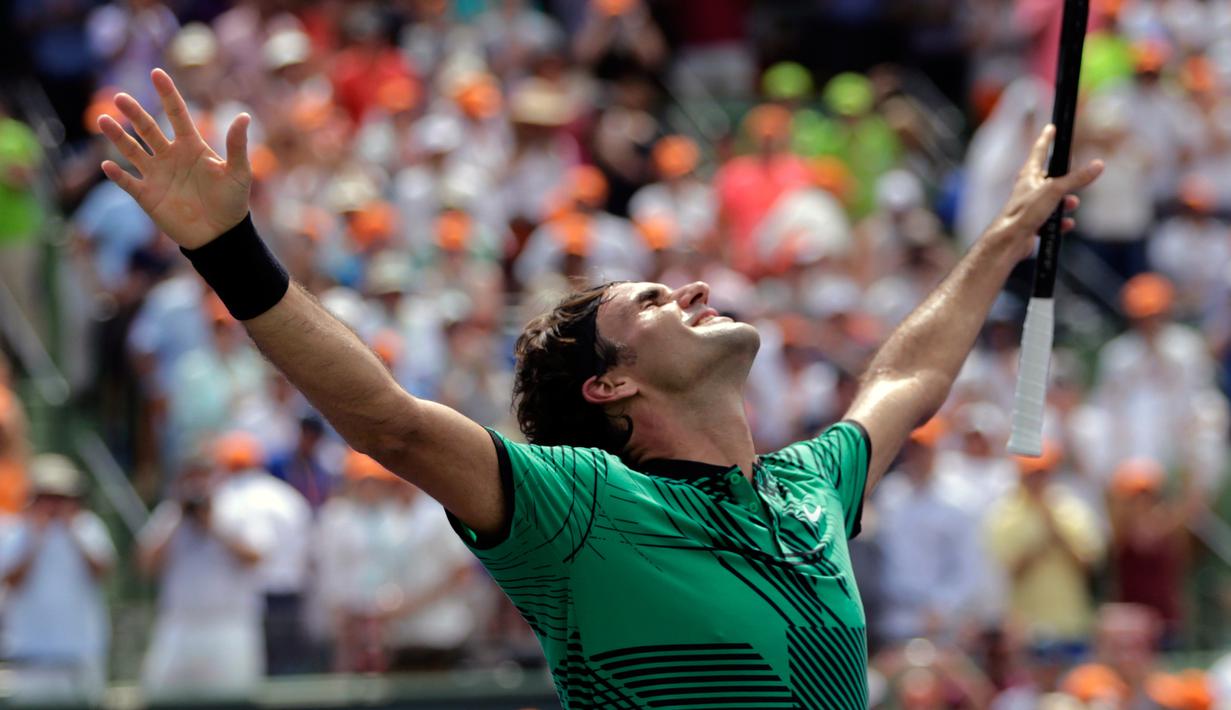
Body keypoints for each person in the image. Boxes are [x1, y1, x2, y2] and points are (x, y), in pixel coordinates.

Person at [96, 69, 1101, 709]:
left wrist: (1006, 233)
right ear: (611, 381)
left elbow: (907, 377)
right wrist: (228, 247)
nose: (696, 286)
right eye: (657, 297)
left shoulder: (810, 489)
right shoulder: (577, 505)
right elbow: (389, 421)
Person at [138, 454, 268, 700]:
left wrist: (213, 524)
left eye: (203, 474)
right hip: (180, 623)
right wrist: (178, 519)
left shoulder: (237, 508)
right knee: (158, 696)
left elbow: (256, 557)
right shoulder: (170, 513)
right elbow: (147, 564)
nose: (197, 482)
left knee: (234, 700)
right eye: (191, 475)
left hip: (229, 624)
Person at [0, 455, 116, 705]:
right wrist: (36, 539)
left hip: (79, 653)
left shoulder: (88, 527)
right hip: (31, 655)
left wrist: (72, 531)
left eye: (61, 497)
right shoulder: (16, 532)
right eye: (47, 496)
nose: (53, 504)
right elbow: (12, 580)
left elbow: (102, 571)